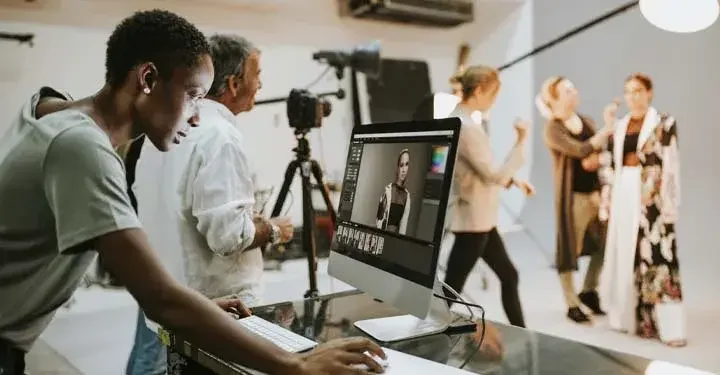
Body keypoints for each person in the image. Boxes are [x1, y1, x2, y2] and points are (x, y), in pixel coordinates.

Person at [0, 10, 385, 375]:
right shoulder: (81, 146)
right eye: (194, 95)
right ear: (147, 79)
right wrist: (297, 366)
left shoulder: (51, 111)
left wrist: (195, 307)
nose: (198, 116)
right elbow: (160, 298)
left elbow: (143, 279)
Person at [125, 34, 296, 375]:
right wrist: (275, 230)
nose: (260, 83)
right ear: (233, 83)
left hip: (162, 293)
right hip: (211, 309)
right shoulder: (220, 136)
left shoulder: (160, 132)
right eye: (256, 74)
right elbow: (227, 238)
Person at [441, 65, 534, 328]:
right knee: (450, 290)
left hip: (479, 219)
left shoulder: (461, 119)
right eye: (493, 94)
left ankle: (522, 333)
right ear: (480, 90)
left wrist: (513, 180)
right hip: (473, 221)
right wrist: (521, 140)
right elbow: (492, 174)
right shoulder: (466, 126)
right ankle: (418, 337)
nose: (494, 101)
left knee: (509, 275)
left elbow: (480, 171)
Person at [598, 73, 685, 347]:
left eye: (638, 91)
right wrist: (607, 200)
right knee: (630, 255)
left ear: (649, 93)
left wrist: (670, 202)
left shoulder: (665, 122)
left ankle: (670, 327)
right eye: (628, 92)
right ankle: (640, 322)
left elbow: (671, 166)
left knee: (659, 257)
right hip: (625, 195)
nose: (633, 97)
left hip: (653, 200)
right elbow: (610, 164)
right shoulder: (620, 126)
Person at [537, 76, 614, 324]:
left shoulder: (586, 122)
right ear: (555, 98)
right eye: (567, 90)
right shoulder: (553, 128)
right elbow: (579, 150)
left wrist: (597, 157)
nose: (574, 93)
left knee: (604, 245)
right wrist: (606, 130)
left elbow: (599, 152)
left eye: (573, 88)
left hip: (596, 195)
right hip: (574, 198)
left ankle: (589, 290)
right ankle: (571, 302)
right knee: (569, 249)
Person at [376, 149, 411, 235]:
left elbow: (403, 229)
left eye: (406, 165)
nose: (404, 170)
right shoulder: (387, 190)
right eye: (401, 165)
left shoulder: (407, 196)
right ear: (397, 167)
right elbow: (378, 221)